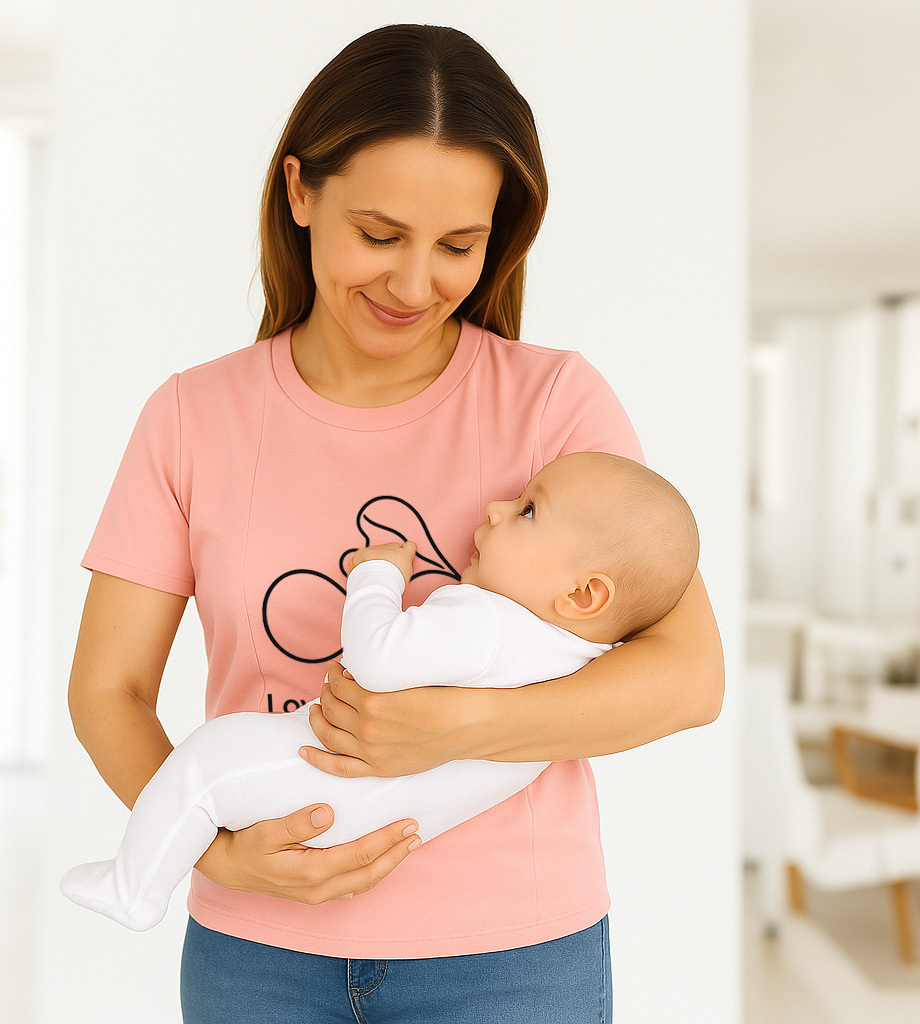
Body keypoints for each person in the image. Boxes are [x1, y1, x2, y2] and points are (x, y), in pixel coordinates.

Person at [66, 23, 724, 1024]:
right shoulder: (193, 416)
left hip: (513, 958)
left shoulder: (552, 402)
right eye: (379, 234)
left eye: (458, 245)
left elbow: (688, 675)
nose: (415, 284)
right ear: (299, 193)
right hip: (258, 951)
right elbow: (107, 687)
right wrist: (216, 848)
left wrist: (462, 727)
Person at [60, 452, 699, 933]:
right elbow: (108, 688)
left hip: (332, 784)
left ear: (584, 593)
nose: (497, 509)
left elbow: (376, 655)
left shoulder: (487, 620)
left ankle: (135, 888)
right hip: (377, 816)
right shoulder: (572, 657)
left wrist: (375, 575)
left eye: (529, 511)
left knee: (203, 764)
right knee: (208, 777)